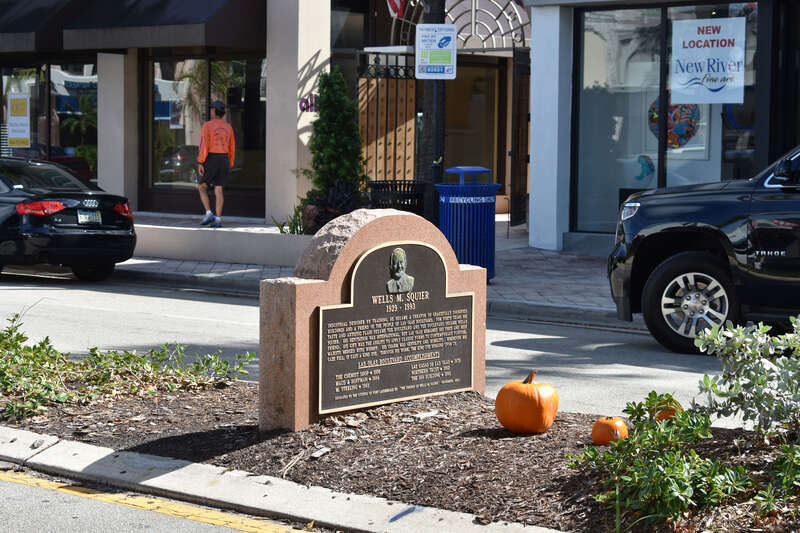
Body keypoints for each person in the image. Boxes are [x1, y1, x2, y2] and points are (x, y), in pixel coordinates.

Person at [197, 100, 235, 228]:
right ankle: (218, 220)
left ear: (214, 111)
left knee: (202, 186)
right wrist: (230, 162)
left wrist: (201, 161)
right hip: (224, 159)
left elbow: (203, 144)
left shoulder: (207, 125)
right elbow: (232, 147)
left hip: (212, 158)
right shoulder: (228, 127)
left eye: (211, 109)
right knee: (219, 189)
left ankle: (209, 213)